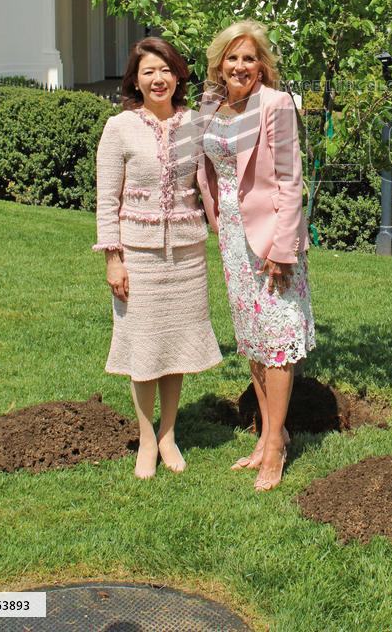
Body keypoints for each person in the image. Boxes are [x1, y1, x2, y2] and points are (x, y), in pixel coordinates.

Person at [94, 37, 221, 479]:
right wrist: (114, 258)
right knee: (144, 346)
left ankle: (169, 433)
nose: (157, 79)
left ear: (177, 75)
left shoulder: (195, 125)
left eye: (165, 70)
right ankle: (146, 437)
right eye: (148, 71)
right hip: (139, 255)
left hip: (186, 255)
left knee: (175, 345)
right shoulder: (119, 128)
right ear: (135, 79)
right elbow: (106, 200)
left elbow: (213, 181)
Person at [197, 20, 315, 491]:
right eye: (232, 57)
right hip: (230, 235)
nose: (240, 66)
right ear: (219, 63)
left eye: (249, 58)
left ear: (262, 65)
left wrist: (283, 249)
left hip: (271, 238)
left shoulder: (276, 104)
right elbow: (202, 168)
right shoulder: (211, 106)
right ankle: (271, 434)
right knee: (251, 336)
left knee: (278, 336)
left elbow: (289, 179)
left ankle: (273, 450)